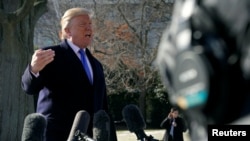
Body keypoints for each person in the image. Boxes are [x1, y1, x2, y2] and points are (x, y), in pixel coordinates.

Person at [21, 7, 114, 141]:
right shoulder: (50, 55)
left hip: (89, 136)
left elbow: (103, 109)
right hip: (57, 135)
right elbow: (29, 88)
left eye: (90, 25)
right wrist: (33, 70)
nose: (89, 28)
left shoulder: (96, 64)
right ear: (67, 31)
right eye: (83, 25)